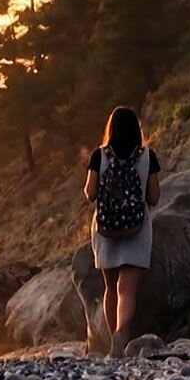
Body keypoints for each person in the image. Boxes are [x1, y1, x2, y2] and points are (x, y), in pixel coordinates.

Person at [83, 106, 162, 357]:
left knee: (110, 287)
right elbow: (154, 197)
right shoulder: (148, 157)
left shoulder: (99, 155)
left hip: (106, 228)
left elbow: (90, 193)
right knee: (126, 289)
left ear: (111, 128)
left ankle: (113, 343)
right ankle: (121, 333)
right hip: (136, 228)